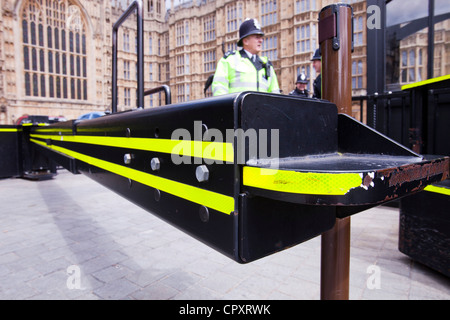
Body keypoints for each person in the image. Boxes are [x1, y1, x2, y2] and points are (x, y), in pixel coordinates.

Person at [211, 18, 280, 96]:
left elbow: (275, 94)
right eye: (257, 37)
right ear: (245, 41)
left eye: (261, 37)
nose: (261, 40)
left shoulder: (266, 65)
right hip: (236, 108)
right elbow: (219, 89)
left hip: (261, 108)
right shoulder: (229, 60)